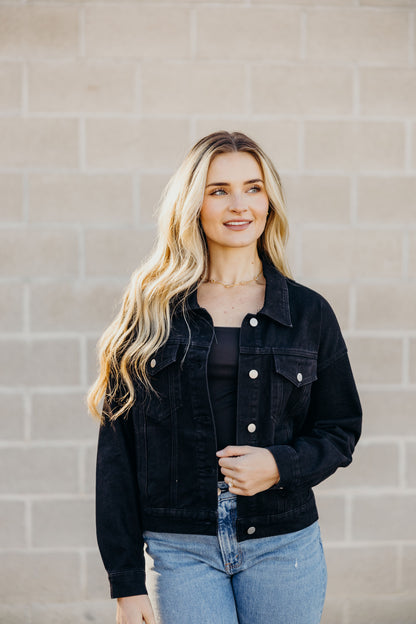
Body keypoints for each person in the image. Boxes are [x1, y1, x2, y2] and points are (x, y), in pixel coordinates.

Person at [87, 130, 362, 624]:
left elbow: (339, 430)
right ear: (193, 204)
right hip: (179, 551)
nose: (239, 204)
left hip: (283, 546)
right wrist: (125, 582)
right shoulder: (150, 313)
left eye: (253, 188)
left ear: (269, 202)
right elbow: (117, 454)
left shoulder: (307, 312)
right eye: (219, 190)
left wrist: (280, 464)